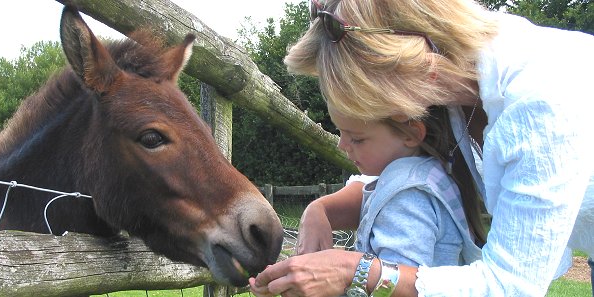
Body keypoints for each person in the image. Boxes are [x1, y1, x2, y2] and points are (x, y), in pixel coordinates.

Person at [249, 0, 594, 296]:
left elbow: (511, 286)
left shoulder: (541, 102)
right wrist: (320, 212)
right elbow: (408, 168)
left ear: (419, 66)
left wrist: (357, 271)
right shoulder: (450, 74)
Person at [297, 105, 484, 275]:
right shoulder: (433, 175)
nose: (342, 145)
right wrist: (318, 210)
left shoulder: (407, 197)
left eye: (357, 139)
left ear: (411, 134)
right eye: (340, 132)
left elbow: (396, 284)